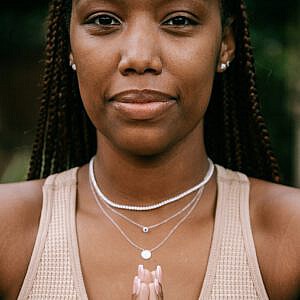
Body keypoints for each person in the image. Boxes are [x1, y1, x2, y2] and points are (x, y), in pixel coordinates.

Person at [0, 0, 299, 299]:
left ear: (224, 44)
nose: (139, 58)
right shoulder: (8, 232)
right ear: (69, 45)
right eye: (104, 20)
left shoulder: (289, 237)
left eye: (179, 21)